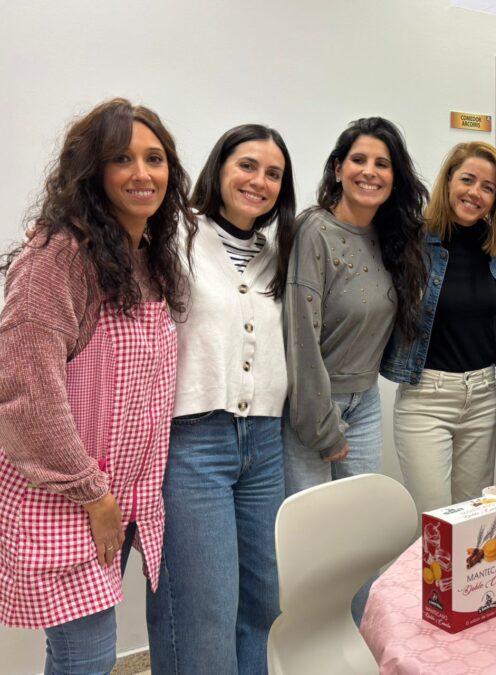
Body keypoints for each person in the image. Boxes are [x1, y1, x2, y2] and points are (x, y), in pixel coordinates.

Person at [0, 98, 189, 674]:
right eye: (121, 159)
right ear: (92, 172)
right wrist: (93, 494)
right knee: (86, 658)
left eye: (154, 159)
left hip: (118, 498)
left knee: (81, 655)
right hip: (68, 498)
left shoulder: (149, 259)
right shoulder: (59, 257)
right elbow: (24, 390)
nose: (142, 173)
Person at [145, 124, 296, 674]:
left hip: (263, 443)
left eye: (273, 173)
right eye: (247, 165)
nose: (259, 181)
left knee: (262, 601)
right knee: (199, 609)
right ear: (219, 168)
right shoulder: (176, 238)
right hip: (194, 443)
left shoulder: (278, 256)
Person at [282, 117, 427, 622]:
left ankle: (362, 640)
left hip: (363, 404)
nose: (370, 172)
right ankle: (313, 644)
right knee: (316, 542)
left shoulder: (391, 238)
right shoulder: (314, 230)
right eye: (359, 160)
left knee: (361, 536)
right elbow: (301, 335)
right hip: (310, 410)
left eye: (382, 164)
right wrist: (322, 429)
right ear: (339, 168)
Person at [382, 142, 496, 514]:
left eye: (488, 187)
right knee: (436, 522)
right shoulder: (413, 242)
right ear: (448, 181)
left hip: (482, 395)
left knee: (474, 518)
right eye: (467, 180)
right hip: (426, 398)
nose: (475, 193)